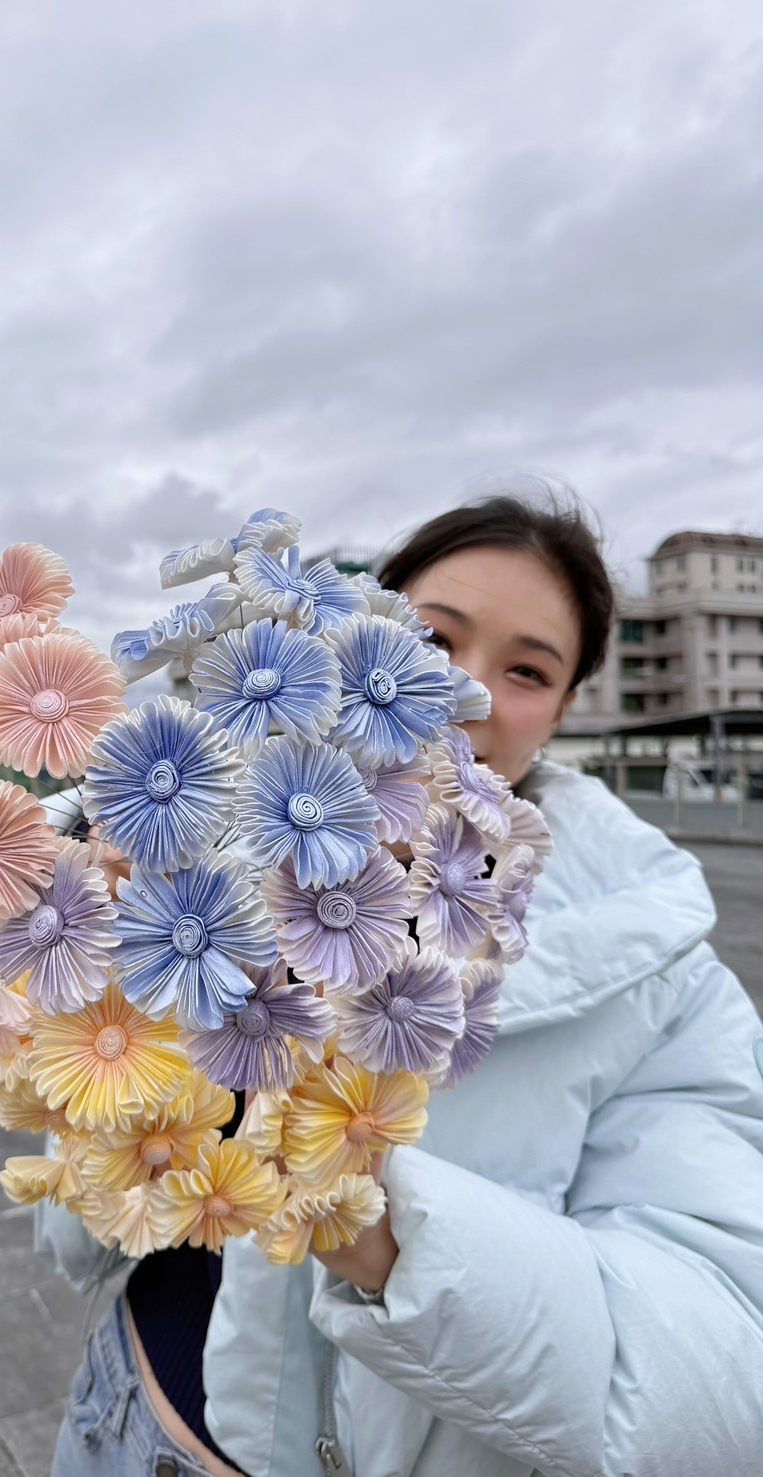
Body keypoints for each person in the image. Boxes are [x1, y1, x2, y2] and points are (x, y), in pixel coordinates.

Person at [39, 491, 763, 1477]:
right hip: (126, 1415)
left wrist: (388, 1230)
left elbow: (714, 1372)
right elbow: (74, 1148)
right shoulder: (210, 834)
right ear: (353, 635)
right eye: (431, 636)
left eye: (524, 670)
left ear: (562, 707)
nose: (462, 693)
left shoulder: (661, 976)